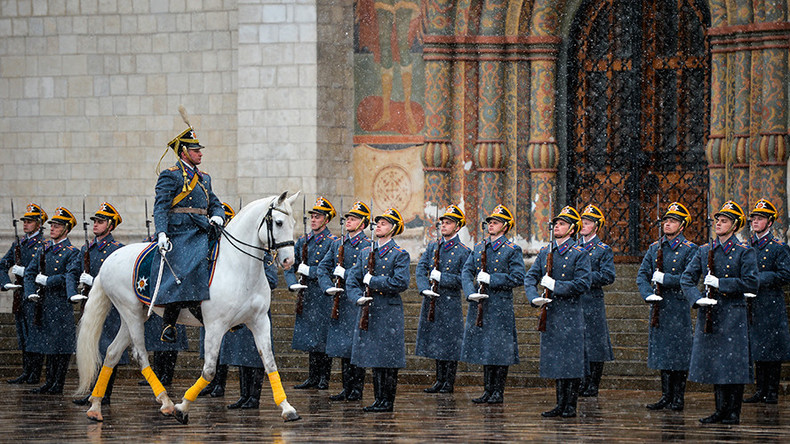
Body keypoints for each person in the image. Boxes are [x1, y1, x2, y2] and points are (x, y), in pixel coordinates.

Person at [681, 200, 758, 424]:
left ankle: (733, 411)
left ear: (735, 226)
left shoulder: (745, 251)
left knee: (733, 365)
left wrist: (722, 283)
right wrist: (697, 299)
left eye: (724, 221)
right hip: (711, 314)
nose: (719, 224)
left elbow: (752, 283)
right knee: (716, 363)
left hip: (733, 314)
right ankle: (720, 410)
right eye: (717, 220)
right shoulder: (705, 251)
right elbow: (687, 278)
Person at [153, 117, 224, 344]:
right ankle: (169, 323)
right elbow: (161, 206)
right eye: (195, 150)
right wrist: (162, 233)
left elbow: (216, 203)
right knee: (184, 267)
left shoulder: (205, 178)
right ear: (184, 152)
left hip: (203, 230)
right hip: (180, 232)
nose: (200, 153)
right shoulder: (170, 174)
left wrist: (218, 217)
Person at [525, 206, 591, 418]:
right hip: (551, 313)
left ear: (572, 229)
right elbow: (530, 277)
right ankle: (559, 403)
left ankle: (570, 405)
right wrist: (533, 297)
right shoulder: (546, 252)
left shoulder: (579, 254)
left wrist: (556, 285)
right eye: (556, 224)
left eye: (562, 224)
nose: (557, 227)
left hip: (570, 313)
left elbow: (583, 283)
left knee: (570, 361)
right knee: (556, 360)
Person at [460, 204, 525, 405]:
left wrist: (492, 279)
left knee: (500, 350)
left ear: (505, 227)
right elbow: (466, 271)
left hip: (500, 306)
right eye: (489, 222)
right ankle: (488, 390)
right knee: (485, 349)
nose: (491, 225)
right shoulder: (479, 247)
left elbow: (518, 277)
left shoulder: (512, 250)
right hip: (481, 304)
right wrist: (471, 293)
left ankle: (498, 391)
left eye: (495, 222)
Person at [636, 202, 698, 411]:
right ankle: (666, 395)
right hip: (659, 307)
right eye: (665, 221)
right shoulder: (655, 248)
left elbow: (689, 278)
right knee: (663, 354)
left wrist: (666, 279)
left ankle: (678, 396)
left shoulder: (690, 249)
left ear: (682, 226)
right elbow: (642, 275)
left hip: (678, 307)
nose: (667, 224)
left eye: (673, 221)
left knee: (678, 355)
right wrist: (648, 294)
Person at [347, 208, 410, 412]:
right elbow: (352, 280)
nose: (378, 226)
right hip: (369, 310)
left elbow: (400, 282)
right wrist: (357, 297)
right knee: (374, 357)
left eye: (383, 223)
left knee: (388, 360)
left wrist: (374, 281)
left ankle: (387, 401)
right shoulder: (366, 253)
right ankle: (378, 399)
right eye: (378, 223)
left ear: (393, 229)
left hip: (388, 313)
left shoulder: (400, 255)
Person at [72, 202, 128, 406]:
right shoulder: (86, 249)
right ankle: (94, 391)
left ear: (110, 226)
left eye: (101, 221)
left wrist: (95, 280)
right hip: (89, 305)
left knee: (106, 350)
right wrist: (77, 284)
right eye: (95, 221)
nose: (95, 224)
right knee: (91, 347)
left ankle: (103, 393)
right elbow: (74, 271)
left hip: (109, 308)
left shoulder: (118, 250)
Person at [318, 201, 372, 401]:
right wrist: (327, 286)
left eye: (354, 218)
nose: (349, 220)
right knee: (342, 347)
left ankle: (356, 389)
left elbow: (366, 273)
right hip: (339, 301)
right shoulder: (338, 244)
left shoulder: (368, 246)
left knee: (355, 347)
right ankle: (346, 388)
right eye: (348, 218)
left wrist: (346, 273)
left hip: (355, 302)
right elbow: (323, 268)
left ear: (363, 224)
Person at [23, 207, 81, 394]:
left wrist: (49, 280)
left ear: (66, 229)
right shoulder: (44, 249)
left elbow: (71, 276)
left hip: (60, 303)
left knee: (61, 347)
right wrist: (30, 292)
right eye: (52, 225)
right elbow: (30, 272)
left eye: (57, 226)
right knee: (48, 345)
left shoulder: (72, 252)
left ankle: (58, 383)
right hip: (44, 303)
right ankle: (48, 382)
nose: (53, 228)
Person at [415, 205, 471, 394]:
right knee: (437, 341)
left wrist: (443, 278)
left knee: (450, 342)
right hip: (433, 300)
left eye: (448, 223)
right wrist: (424, 288)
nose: (444, 226)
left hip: (449, 301)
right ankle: (439, 380)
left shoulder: (463, 251)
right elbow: (421, 269)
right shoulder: (433, 246)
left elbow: (464, 279)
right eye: (443, 223)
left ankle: (449, 381)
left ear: (457, 227)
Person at [285, 197, 337, 389]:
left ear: (326, 220)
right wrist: (292, 284)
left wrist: (311, 271)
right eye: (312, 217)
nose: (313, 220)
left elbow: (333, 269)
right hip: (306, 294)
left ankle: (324, 377)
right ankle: (312, 376)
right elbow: (290, 265)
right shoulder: (303, 241)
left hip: (323, 293)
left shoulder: (333, 242)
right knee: (310, 337)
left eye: (318, 217)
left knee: (323, 337)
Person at [743, 199, 790, 404]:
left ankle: (771, 391)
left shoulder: (778, 248)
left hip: (770, 303)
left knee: (772, 349)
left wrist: (759, 279)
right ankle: (760, 389)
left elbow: (786, 275)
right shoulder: (746, 246)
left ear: (770, 223)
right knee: (758, 348)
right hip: (752, 304)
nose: (755, 221)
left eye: (760, 218)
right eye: (753, 218)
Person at [1, 204, 47, 385]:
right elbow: (3, 264)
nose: (25, 224)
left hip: (35, 295)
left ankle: (34, 373)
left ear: (39, 224)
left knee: (35, 335)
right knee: (23, 334)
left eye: (30, 222)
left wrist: (25, 271)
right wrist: (5, 282)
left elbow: (45, 270)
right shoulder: (19, 244)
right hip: (19, 295)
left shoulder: (43, 245)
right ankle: (26, 372)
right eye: (25, 221)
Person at [198, 202, 237, 398]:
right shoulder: (208, 245)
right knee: (210, 347)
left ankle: (219, 384)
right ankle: (209, 382)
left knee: (223, 349)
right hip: (209, 302)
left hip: (226, 306)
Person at [577, 204, 616, 397]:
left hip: (592, 300)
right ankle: (581, 381)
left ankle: (593, 383)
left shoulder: (602, 250)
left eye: (587, 222)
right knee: (579, 343)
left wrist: (584, 278)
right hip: (576, 300)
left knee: (594, 343)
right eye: (582, 222)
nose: (583, 225)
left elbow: (608, 275)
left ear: (596, 226)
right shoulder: (574, 247)